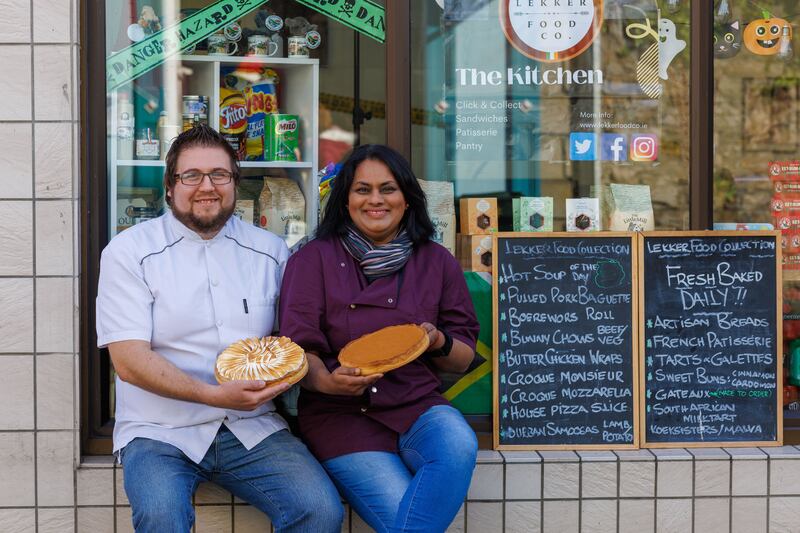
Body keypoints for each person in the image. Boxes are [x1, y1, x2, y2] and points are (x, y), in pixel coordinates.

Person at [96, 124, 343, 533]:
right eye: (191, 175)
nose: (206, 186)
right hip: (160, 430)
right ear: (170, 186)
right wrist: (214, 395)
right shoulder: (130, 252)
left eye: (219, 175)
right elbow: (129, 361)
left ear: (235, 183)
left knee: (318, 510)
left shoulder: (270, 251)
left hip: (251, 425)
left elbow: (292, 343)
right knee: (161, 517)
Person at [279, 144, 479, 533]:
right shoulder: (312, 260)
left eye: (387, 189)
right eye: (362, 189)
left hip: (417, 405)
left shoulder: (437, 261)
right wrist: (327, 382)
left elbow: (463, 355)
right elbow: (299, 349)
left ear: (407, 199)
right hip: (341, 417)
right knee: (403, 521)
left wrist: (436, 342)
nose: (375, 200)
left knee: (459, 445)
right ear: (345, 199)